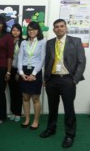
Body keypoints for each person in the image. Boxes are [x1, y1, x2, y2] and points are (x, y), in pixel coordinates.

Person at [40, 19, 86, 148]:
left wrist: (75, 79)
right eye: (56, 27)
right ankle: (51, 128)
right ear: (54, 29)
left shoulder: (75, 41)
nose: (59, 29)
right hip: (52, 80)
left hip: (67, 80)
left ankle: (70, 135)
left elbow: (81, 62)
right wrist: (46, 78)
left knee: (68, 108)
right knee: (52, 107)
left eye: (61, 26)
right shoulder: (49, 43)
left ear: (66, 28)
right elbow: (47, 62)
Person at [18, 21, 46, 130]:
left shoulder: (42, 42)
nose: (31, 31)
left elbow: (42, 59)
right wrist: (21, 73)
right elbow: (20, 57)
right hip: (24, 70)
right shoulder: (24, 42)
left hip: (36, 71)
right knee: (25, 97)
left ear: (38, 30)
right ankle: (27, 119)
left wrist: (34, 74)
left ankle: (36, 121)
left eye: (34, 29)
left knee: (35, 98)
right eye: (29, 29)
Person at [8, 23, 23, 122]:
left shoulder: (23, 42)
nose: (15, 32)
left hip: (18, 70)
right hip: (10, 69)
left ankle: (18, 113)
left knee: (18, 92)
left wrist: (18, 72)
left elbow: (23, 58)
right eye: (13, 30)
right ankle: (13, 112)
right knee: (12, 92)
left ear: (20, 32)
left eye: (17, 30)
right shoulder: (8, 41)